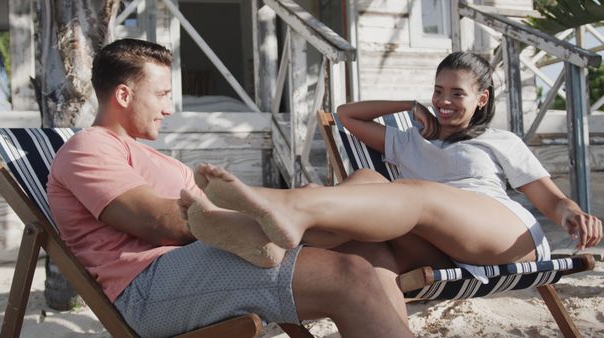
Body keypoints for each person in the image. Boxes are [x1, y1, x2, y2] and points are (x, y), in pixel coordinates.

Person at [179, 51, 602, 324]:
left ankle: (283, 204)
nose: (444, 100)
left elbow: (551, 199)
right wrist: (407, 107)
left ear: (483, 99)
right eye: (438, 91)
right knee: (366, 204)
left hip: (502, 235)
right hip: (430, 241)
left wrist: (570, 215)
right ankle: (257, 235)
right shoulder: (407, 138)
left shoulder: (499, 141)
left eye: (457, 93)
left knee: (412, 191)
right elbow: (346, 115)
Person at [47, 38, 413, 338]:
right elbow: (160, 222)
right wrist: (269, 213)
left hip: (199, 264)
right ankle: (295, 214)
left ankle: (302, 213)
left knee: (364, 233)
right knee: (348, 276)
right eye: (161, 94)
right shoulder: (89, 147)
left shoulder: (167, 163)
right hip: (147, 289)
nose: (169, 108)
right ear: (124, 96)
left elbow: (211, 222)